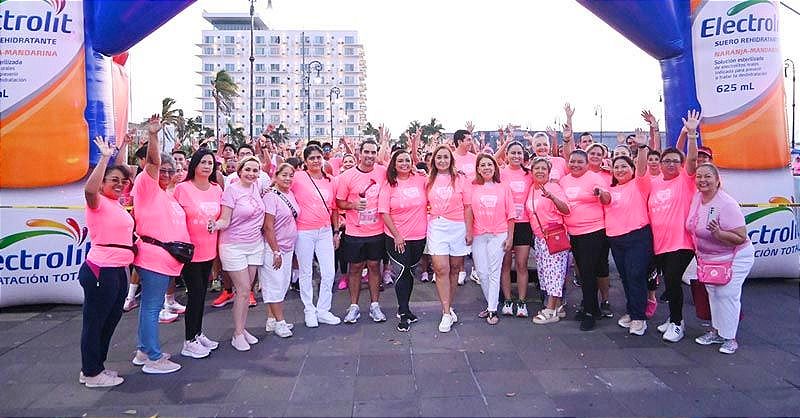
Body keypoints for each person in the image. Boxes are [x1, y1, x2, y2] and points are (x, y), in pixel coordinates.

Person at [130, 115, 189, 374]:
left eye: (170, 170)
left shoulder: (169, 194)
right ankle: (153, 357)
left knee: (150, 306)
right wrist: (154, 135)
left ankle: (144, 351)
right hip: (153, 256)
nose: (165, 173)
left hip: (166, 260)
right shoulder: (147, 186)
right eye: (162, 170)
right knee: (152, 307)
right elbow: (153, 162)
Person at [77, 137, 133, 387]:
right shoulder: (97, 202)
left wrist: (120, 152)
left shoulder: (116, 204)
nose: (120, 185)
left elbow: (122, 172)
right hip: (101, 269)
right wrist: (103, 157)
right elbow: (90, 189)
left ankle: (96, 365)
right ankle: (91, 373)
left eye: (123, 182)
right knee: (95, 321)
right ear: (103, 184)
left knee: (111, 319)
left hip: (119, 269)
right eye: (114, 181)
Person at [687, 163, 754, 354]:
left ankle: (730, 338)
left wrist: (719, 234)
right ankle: (716, 331)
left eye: (708, 176)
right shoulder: (697, 198)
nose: (702, 180)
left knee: (727, 295)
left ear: (717, 180)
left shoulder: (727, 204)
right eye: (699, 176)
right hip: (709, 258)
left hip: (735, 257)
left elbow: (740, 236)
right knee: (713, 295)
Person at [649, 110, 700, 342]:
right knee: (669, 283)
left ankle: (678, 324)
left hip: (682, 242)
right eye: (666, 161)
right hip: (660, 243)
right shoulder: (655, 182)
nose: (670, 164)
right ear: (659, 164)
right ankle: (672, 317)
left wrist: (690, 135)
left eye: (674, 161)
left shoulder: (685, 180)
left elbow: (690, 159)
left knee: (672, 281)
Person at [211, 156, 266, 351]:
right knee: (242, 290)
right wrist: (215, 225)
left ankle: (242, 329)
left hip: (255, 245)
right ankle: (237, 334)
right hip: (233, 246)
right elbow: (225, 220)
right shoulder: (231, 190)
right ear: (240, 171)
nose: (251, 173)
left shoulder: (257, 187)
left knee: (246, 291)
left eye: (255, 170)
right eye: (248, 169)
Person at [602, 131, 654, 336]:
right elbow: (605, 199)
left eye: (624, 166)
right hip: (616, 238)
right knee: (625, 277)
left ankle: (640, 318)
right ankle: (632, 312)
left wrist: (642, 147)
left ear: (632, 169)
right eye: (617, 167)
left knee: (636, 275)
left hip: (638, 237)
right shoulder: (611, 189)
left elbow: (642, 168)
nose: (620, 169)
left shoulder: (639, 184)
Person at [173, 149, 223, 359]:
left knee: (202, 294)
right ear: (194, 164)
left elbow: (222, 216)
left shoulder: (216, 189)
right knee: (194, 294)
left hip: (209, 249)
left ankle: (198, 332)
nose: (206, 166)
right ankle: (189, 340)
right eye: (202, 162)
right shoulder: (182, 188)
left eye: (210, 163)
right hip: (189, 251)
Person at [336, 140, 389, 324]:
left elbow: (403, 171)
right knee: (355, 268)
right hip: (354, 232)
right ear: (359, 153)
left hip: (377, 230)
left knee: (375, 267)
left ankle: (375, 306)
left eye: (373, 152)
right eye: (366, 152)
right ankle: (354, 307)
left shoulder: (382, 172)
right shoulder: (347, 176)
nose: (370, 156)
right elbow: (339, 202)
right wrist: (353, 205)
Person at [559, 149, 610, 331]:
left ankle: (589, 311)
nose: (575, 165)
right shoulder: (564, 181)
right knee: (582, 273)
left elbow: (607, 199)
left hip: (593, 232)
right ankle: (592, 307)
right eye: (572, 161)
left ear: (587, 164)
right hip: (574, 233)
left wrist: (600, 193)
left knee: (588, 272)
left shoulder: (594, 178)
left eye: (580, 162)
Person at [292, 145, 342, 328]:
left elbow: (335, 208)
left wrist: (336, 232)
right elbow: (279, 186)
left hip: (325, 231)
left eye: (318, 157)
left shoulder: (331, 181)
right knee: (306, 272)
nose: (316, 161)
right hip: (303, 231)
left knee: (329, 272)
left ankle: (323, 309)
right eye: (311, 158)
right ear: (305, 161)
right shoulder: (297, 178)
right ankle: (309, 310)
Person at [379, 149, 428, 332]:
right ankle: (404, 312)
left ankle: (405, 307)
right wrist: (397, 235)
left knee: (410, 273)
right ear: (394, 163)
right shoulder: (389, 185)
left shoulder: (420, 180)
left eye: (407, 160)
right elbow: (384, 212)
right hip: (396, 237)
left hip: (419, 236)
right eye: (400, 161)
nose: (404, 164)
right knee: (401, 272)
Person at [426, 145, 473, 332]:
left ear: (451, 159)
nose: (442, 160)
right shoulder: (427, 179)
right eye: (439, 157)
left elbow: (468, 206)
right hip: (437, 226)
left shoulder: (461, 179)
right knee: (440, 268)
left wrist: (469, 231)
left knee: (454, 269)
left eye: (446, 157)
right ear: (434, 160)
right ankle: (446, 312)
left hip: (458, 227)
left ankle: (449, 305)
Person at [469, 154, 515, 325]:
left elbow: (511, 214)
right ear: (478, 169)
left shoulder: (503, 187)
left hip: (499, 233)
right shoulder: (472, 187)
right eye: (483, 165)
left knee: (494, 271)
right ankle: (492, 302)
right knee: (482, 272)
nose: (487, 167)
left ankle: (492, 310)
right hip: (478, 234)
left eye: (490, 164)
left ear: (495, 167)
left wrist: (510, 237)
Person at [527, 157, 571, 324]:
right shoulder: (532, 188)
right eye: (536, 168)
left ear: (549, 171)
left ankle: (550, 309)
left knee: (554, 273)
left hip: (554, 236)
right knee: (545, 274)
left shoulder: (554, 187)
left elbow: (566, 210)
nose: (539, 171)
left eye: (543, 169)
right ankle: (558, 306)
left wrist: (552, 197)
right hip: (540, 239)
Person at [261, 163, 301, 338]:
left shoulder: (290, 194)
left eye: (291, 175)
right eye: (284, 175)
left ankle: (272, 319)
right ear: (276, 176)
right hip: (274, 249)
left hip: (287, 247)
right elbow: (268, 227)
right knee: (274, 284)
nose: (287, 178)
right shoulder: (270, 196)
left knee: (283, 284)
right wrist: (275, 251)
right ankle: (280, 321)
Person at [498, 142, 534, 317]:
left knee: (521, 264)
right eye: (513, 153)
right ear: (507, 154)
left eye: (519, 153)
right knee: (505, 264)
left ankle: (521, 301)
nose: (516, 156)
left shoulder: (529, 174)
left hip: (524, 224)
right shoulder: (501, 173)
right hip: (503, 224)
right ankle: (507, 299)